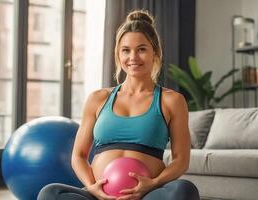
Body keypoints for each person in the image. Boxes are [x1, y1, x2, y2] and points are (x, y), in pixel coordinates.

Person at [38, 10, 200, 200]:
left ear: (155, 52)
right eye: (126, 50)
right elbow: (79, 156)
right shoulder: (98, 99)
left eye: (141, 49)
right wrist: (92, 187)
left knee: (184, 190)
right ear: (118, 53)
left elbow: (181, 160)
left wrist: (153, 184)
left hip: (147, 195)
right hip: (100, 196)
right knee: (49, 193)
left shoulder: (171, 100)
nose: (133, 57)